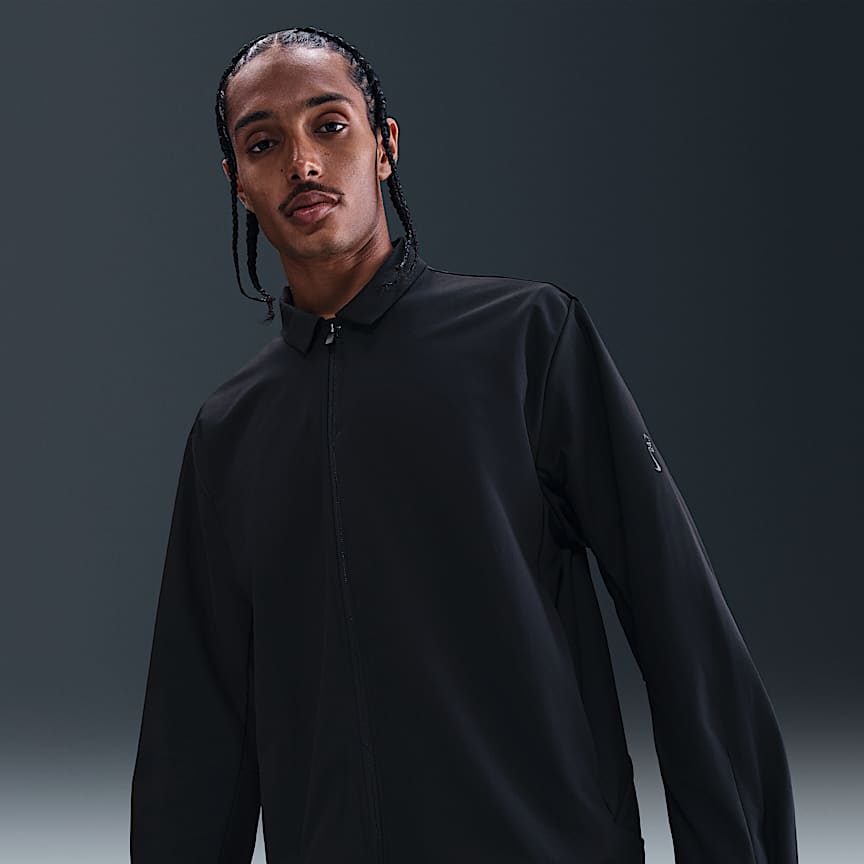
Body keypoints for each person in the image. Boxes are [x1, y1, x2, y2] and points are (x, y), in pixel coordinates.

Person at [129, 26, 799, 864]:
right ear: (237, 181)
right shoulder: (230, 432)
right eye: (263, 144)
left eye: (330, 126)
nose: (302, 162)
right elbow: (195, 735)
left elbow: (681, 625)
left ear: (384, 147)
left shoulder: (526, 340)